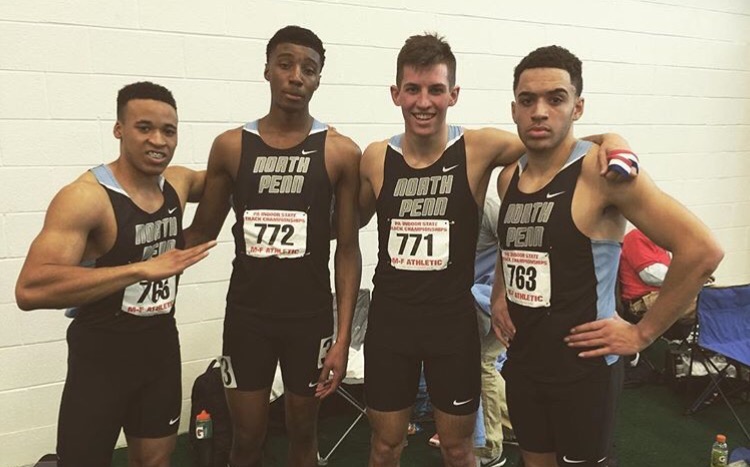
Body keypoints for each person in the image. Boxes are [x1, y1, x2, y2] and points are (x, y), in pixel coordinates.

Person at [358, 33, 633, 467]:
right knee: (385, 446)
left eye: (435, 89)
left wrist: (613, 138)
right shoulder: (375, 157)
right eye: (412, 89)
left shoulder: (479, 147)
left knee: (458, 449)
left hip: (452, 326)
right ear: (396, 94)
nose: (423, 101)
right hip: (391, 326)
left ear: (454, 93)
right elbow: (348, 224)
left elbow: (550, 138)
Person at [491, 45, 724, 467]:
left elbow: (702, 250)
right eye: (528, 100)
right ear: (514, 108)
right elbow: (514, 245)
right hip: (525, 362)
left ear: (577, 107)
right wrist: (498, 293)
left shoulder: (603, 175)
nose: (539, 111)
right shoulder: (509, 177)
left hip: (584, 370)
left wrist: (642, 334)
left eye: (555, 99)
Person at [184, 25, 361, 467]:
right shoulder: (230, 147)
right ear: (267, 70)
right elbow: (200, 232)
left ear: (319, 79)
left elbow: (347, 249)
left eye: (309, 69)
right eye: (285, 64)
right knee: (246, 438)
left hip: (310, 319)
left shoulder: (339, 151)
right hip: (247, 318)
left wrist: (342, 338)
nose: (296, 76)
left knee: (304, 435)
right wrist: (129, 258)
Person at [15, 81, 215, 467]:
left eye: (168, 131)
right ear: (119, 129)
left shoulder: (178, 182)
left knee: (156, 460)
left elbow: (236, 173)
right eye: (144, 128)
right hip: (101, 358)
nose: (158, 140)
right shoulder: (87, 197)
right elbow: (30, 288)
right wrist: (139, 269)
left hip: (159, 351)